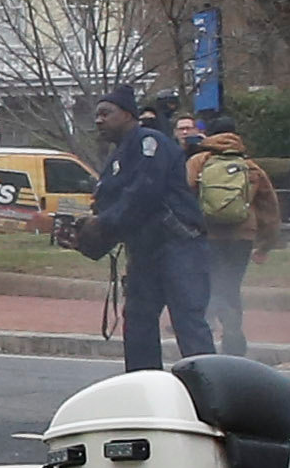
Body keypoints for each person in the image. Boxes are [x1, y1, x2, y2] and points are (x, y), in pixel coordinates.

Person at [85, 84, 214, 370]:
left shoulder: (149, 143)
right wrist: (86, 232)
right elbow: (108, 202)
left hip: (179, 246)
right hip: (145, 251)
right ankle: (144, 385)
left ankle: (212, 391)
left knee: (188, 322)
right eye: (97, 115)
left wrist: (103, 223)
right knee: (139, 321)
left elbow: (144, 193)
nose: (99, 120)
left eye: (106, 113)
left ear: (128, 114)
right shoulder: (116, 159)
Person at [184, 114, 280, 357]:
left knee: (211, 283)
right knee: (231, 284)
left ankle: (206, 334)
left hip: (208, 234)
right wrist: (266, 244)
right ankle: (234, 337)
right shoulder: (250, 166)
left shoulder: (199, 161)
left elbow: (183, 196)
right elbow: (270, 207)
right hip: (242, 236)